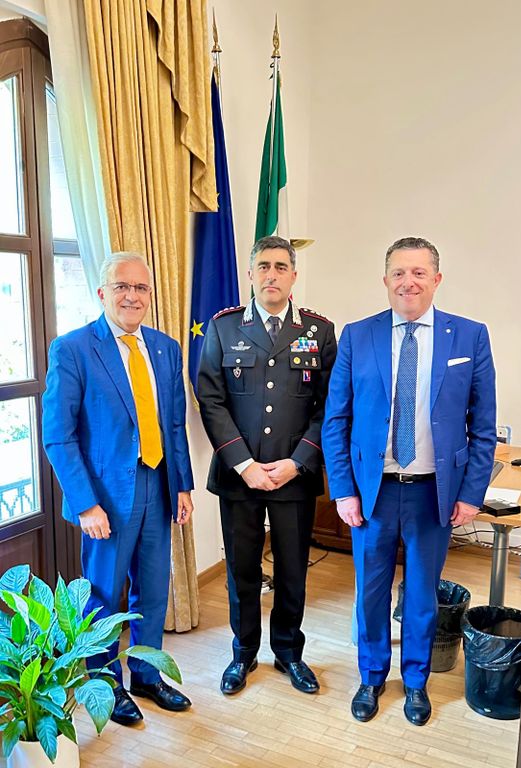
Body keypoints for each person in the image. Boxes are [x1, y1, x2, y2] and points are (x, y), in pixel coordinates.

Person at [322, 237, 496, 726]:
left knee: (422, 595)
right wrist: (343, 490)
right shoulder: (358, 336)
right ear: (385, 280)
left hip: (433, 492)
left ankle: (416, 681)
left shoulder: (469, 337)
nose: (408, 282)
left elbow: (483, 427)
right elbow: (336, 420)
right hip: (372, 493)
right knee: (370, 593)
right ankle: (371, 676)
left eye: (419, 272)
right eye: (399, 273)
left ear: (436, 279)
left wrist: (471, 494)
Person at [42, 252, 194, 726]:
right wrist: (85, 503)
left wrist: (183, 486)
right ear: (102, 293)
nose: (132, 296)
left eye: (141, 288)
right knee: (104, 595)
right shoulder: (73, 349)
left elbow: (173, 425)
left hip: (158, 485)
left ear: (150, 295)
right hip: (105, 499)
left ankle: (147, 675)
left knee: (153, 591)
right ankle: (106, 685)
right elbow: (58, 435)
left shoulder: (165, 348)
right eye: (121, 286)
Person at [197, 235, 337, 696]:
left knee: (293, 570)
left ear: (294, 275)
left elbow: (331, 406)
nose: (271, 275)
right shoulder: (224, 327)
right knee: (242, 571)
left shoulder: (319, 331)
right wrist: (244, 463)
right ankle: (243, 653)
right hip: (240, 476)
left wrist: (299, 461)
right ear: (250, 275)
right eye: (263, 266)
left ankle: (289, 652)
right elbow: (211, 398)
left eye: (280, 267)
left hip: (294, 477)